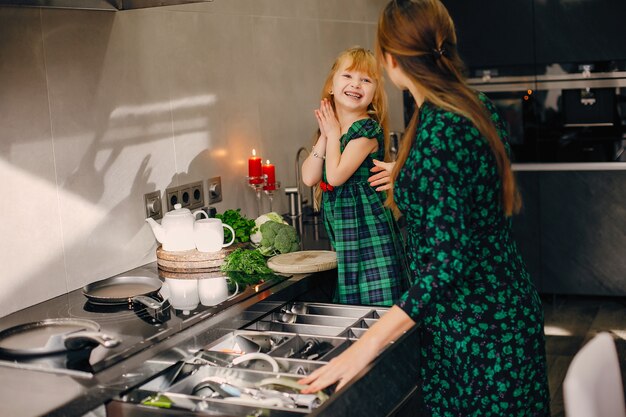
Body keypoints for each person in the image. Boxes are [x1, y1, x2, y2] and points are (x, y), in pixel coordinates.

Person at [299, 1, 551, 416]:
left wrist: (365, 347)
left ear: (388, 61)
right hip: (488, 315)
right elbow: (470, 177)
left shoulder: (439, 127)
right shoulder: (464, 104)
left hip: (477, 331)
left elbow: (445, 265)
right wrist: (409, 169)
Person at [300, 46, 408, 307]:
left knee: (378, 302)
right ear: (331, 86)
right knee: (354, 303)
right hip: (348, 238)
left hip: (371, 237)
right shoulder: (332, 129)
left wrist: (333, 134)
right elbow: (308, 177)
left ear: (373, 95)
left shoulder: (366, 130)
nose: (356, 84)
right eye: (348, 76)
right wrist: (325, 136)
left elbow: (335, 176)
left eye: (366, 80)